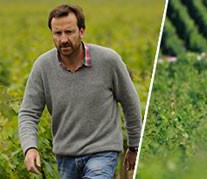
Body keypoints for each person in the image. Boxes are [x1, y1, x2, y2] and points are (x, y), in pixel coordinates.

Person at [18, 4, 142, 178]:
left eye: (69, 32)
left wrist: (134, 146)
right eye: (58, 33)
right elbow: (28, 113)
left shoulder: (108, 61)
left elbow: (131, 103)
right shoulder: (43, 67)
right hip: (65, 156)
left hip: (102, 152)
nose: (63, 39)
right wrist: (30, 148)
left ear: (82, 31)